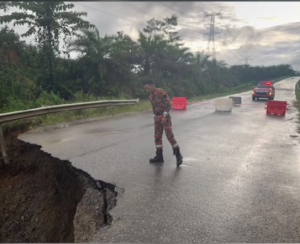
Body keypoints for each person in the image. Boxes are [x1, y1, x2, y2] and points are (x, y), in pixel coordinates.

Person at [144, 79, 183, 167]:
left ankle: (178, 154)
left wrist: (165, 116)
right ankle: (159, 156)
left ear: (152, 86)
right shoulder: (150, 96)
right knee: (157, 137)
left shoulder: (161, 92)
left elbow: (168, 105)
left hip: (165, 117)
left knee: (169, 136)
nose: (147, 90)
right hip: (157, 118)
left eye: (147, 88)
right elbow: (154, 107)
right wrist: (155, 116)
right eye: (145, 89)